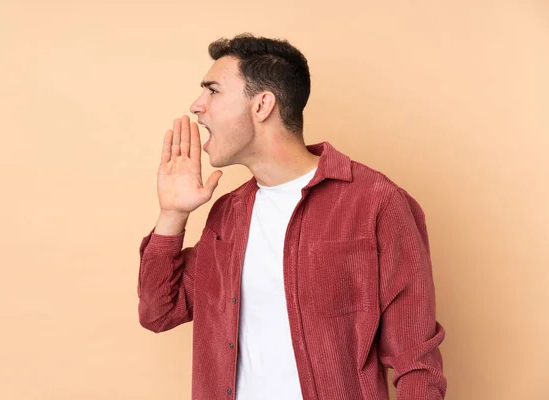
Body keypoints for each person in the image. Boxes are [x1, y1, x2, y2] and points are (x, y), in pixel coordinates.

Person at [137, 33, 447, 400]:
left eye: (213, 91)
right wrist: (172, 214)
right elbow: (159, 312)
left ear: (262, 104)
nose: (197, 106)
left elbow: (417, 363)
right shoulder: (228, 215)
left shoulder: (377, 203)